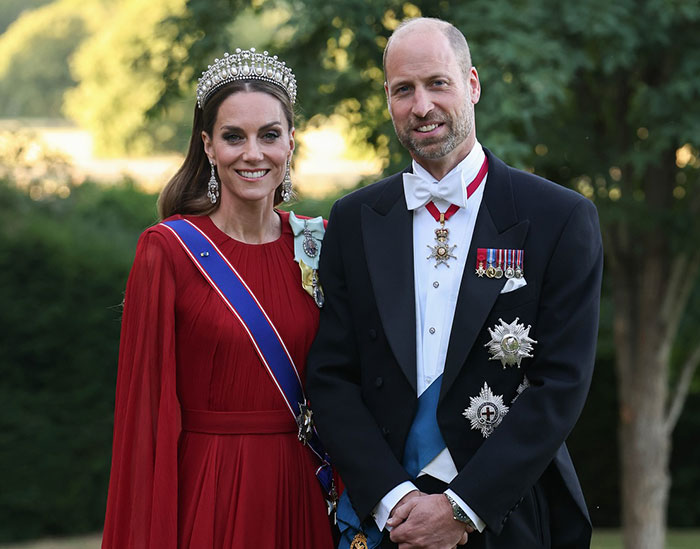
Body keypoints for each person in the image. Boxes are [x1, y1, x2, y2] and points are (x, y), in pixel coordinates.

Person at [306, 17, 603, 549]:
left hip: (505, 516)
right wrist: (392, 496)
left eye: (437, 83)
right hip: (386, 521)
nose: (421, 106)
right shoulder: (353, 219)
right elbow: (331, 376)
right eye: (403, 90)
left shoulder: (559, 218)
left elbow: (562, 383)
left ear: (472, 85)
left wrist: (462, 508)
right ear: (388, 100)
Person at [102, 48, 335, 548]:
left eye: (269, 135)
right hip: (212, 490)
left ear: (291, 142)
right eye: (234, 137)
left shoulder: (320, 245)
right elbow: (145, 420)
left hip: (306, 488)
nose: (253, 153)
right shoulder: (168, 250)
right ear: (208, 146)